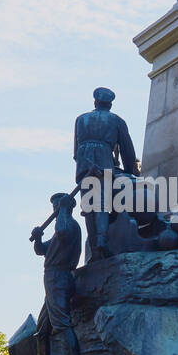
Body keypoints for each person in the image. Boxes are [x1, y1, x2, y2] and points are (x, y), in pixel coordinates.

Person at [73, 86, 139, 260]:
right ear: (110, 105)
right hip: (104, 161)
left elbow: (75, 151)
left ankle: (94, 246)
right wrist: (131, 171)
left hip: (83, 163)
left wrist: (84, 163)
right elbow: (127, 151)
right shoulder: (117, 121)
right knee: (102, 203)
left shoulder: (81, 119)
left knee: (88, 206)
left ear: (95, 102)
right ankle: (102, 240)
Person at [26, 192, 84, 355]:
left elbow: (62, 233)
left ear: (66, 206)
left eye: (57, 206)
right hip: (51, 279)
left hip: (60, 277)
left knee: (61, 324)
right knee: (41, 330)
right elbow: (43, 251)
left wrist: (64, 211)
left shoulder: (69, 226)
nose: (55, 210)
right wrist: (37, 238)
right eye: (54, 208)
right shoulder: (62, 225)